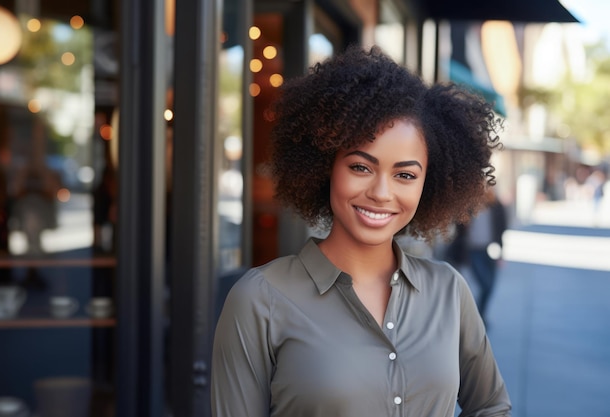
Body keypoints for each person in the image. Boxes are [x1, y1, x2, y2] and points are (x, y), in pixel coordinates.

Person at [211, 45, 511, 417]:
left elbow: (492, 406)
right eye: (360, 167)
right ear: (325, 167)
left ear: (427, 184)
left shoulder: (448, 291)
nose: (382, 193)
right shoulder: (259, 300)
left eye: (405, 175)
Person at [446, 188, 508, 321]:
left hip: (490, 250)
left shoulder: (496, 206)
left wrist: (501, 252)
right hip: (472, 251)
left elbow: (501, 228)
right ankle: (477, 318)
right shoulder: (468, 206)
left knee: (491, 285)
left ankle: (481, 314)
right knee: (484, 283)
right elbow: (457, 227)